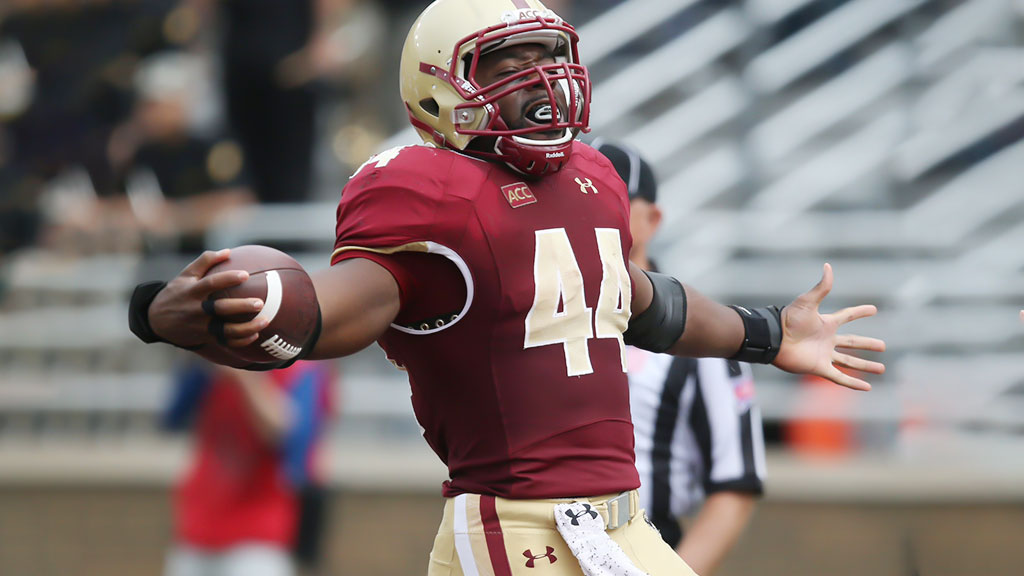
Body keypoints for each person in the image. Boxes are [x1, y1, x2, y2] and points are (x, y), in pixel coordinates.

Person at [128, 1, 886, 574]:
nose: (544, 80)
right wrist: (206, 313)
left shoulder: (588, 177)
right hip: (520, 528)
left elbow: (640, 302)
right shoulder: (428, 192)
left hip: (621, 522)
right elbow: (331, 311)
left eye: (549, 55)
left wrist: (768, 334)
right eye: (509, 63)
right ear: (439, 82)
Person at [594, 140, 764, 575]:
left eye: (607, 196)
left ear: (651, 219)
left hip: (644, 549)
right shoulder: (534, 317)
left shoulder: (702, 335)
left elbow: (735, 482)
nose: (587, 211)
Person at [161, 359, 335, 576]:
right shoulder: (209, 363)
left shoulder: (301, 369)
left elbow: (292, 441)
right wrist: (203, 358)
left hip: (259, 532)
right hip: (197, 528)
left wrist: (246, 377)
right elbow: (171, 418)